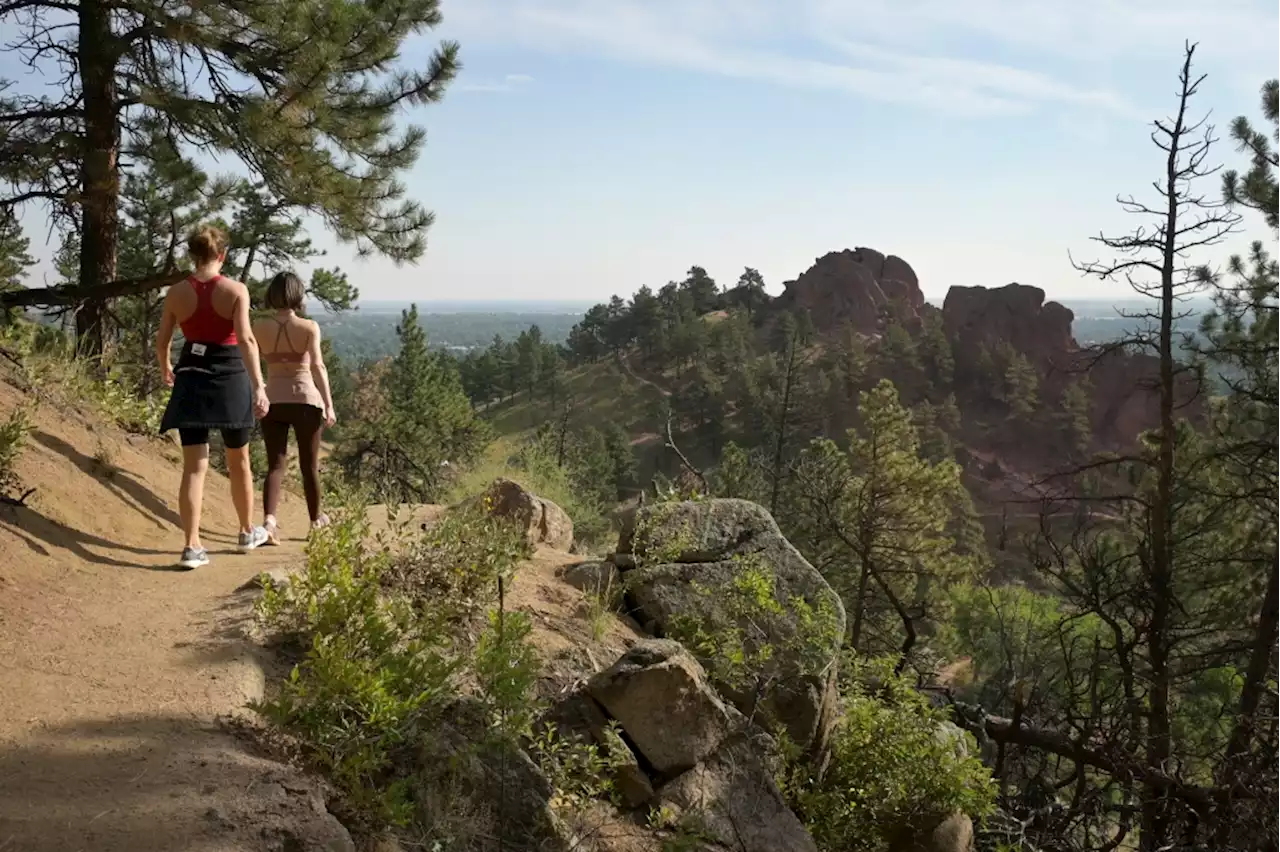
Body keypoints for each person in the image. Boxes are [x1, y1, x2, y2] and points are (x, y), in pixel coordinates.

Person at [157, 225, 270, 569]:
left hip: (191, 372)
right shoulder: (236, 290)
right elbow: (247, 341)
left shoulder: (176, 292)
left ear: (193, 254)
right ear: (222, 255)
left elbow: (162, 340)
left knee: (194, 467)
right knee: (240, 460)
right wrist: (260, 386)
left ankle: (192, 546)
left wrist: (165, 368)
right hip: (231, 374)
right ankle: (246, 531)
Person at [254, 271, 336, 543]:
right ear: (298, 295)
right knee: (308, 466)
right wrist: (329, 404)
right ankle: (315, 522)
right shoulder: (309, 327)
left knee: (275, 466)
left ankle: (268, 523)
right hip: (305, 400)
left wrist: (257, 393)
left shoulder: (259, 327)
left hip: (272, 400)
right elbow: (318, 367)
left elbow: (252, 365)